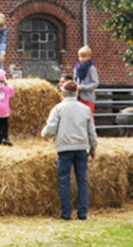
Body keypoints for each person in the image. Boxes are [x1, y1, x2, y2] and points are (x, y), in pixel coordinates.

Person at [41, 80, 98, 221]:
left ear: (63, 93)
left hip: (64, 149)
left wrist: (44, 135)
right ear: (77, 92)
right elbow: (92, 132)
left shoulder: (58, 108)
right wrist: (93, 148)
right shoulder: (85, 109)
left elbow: (51, 128)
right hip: (81, 149)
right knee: (82, 180)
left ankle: (66, 214)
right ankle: (82, 213)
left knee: (64, 180)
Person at [74, 46, 99, 116]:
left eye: (84, 57)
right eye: (80, 56)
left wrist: (82, 87)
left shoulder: (91, 69)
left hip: (88, 97)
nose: (81, 59)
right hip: (78, 97)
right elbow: (75, 79)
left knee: (89, 116)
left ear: (89, 57)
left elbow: (95, 83)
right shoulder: (76, 68)